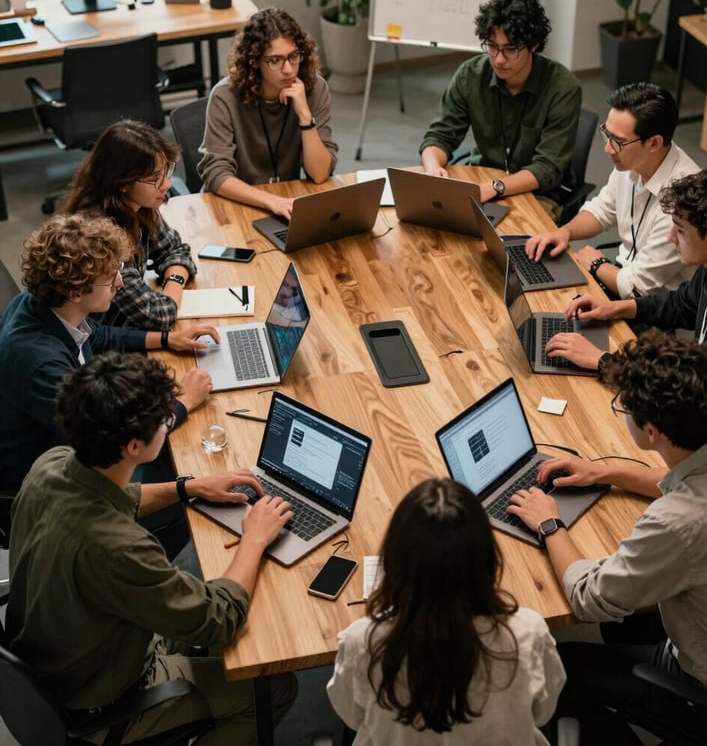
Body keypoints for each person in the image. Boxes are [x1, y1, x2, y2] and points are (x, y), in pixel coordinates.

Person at [6, 351, 298, 743]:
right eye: (163, 420)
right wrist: (255, 539)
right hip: (103, 699)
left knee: (207, 590)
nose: (167, 423)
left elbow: (119, 496)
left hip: (59, 645)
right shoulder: (122, 549)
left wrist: (187, 487)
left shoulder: (51, 464)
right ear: (132, 447)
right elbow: (220, 618)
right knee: (274, 689)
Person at [509, 331, 707, 745]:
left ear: (650, 431)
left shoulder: (676, 525)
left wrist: (548, 524)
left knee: (545, 669)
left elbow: (587, 598)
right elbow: (685, 482)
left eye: (624, 408)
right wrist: (604, 472)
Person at [0, 213, 215, 534]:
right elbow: (112, 439)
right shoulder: (40, 364)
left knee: (175, 457)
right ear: (76, 291)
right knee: (190, 505)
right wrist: (184, 402)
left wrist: (169, 339)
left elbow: (99, 336)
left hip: (74, 442)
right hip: (44, 488)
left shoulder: (43, 305)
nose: (119, 281)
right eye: (109, 276)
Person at [327, 478, 565, 744]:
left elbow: (352, 716)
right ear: (486, 558)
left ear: (395, 562)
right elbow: (543, 712)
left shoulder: (363, 642)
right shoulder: (528, 633)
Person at [546, 167, 707, 437]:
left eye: (681, 230)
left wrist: (601, 361)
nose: (670, 237)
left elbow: (690, 385)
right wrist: (615, 308)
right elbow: (681, 305)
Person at [525, 82, 700, 298]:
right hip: (618, 275)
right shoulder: (632, 161)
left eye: (617, 141)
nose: (607, 148)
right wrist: (564, 232)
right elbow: (602, 211)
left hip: (655, 306)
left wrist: (597, 264)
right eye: (607, 135)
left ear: (654, 143)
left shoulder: (684, 198)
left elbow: (638, 288)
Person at [419, 0, 581, 221]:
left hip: (538, 192)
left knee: (512, 245)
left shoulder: (563, 88)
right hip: (483, 177)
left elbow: (547, 168)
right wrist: (432, 168)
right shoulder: (471, 74)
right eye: (492, 47)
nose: (499, 59)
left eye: (511, 49)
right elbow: (439, 136)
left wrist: (495, 187)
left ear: (533, 45)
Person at [198, 7, 338, 219]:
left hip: (285, 202)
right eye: (275, 60)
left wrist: (305, 117)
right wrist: (271, 201)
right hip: (235, 204)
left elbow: (319, 174)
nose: (289, 69)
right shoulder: (225, 96)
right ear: (254, 61)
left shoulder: (314, 89)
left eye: (293, 56)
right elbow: (216, 174)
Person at [64, 119, 197, 331]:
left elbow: (175, 248)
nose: (167, 184)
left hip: (132, 329)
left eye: (166, 172)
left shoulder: (137, 206)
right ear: (123, 182)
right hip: (109, 345)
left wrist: (174, 278)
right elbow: (159, 316)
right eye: (155, 178)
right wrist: (175, 285)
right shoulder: (99, 240)